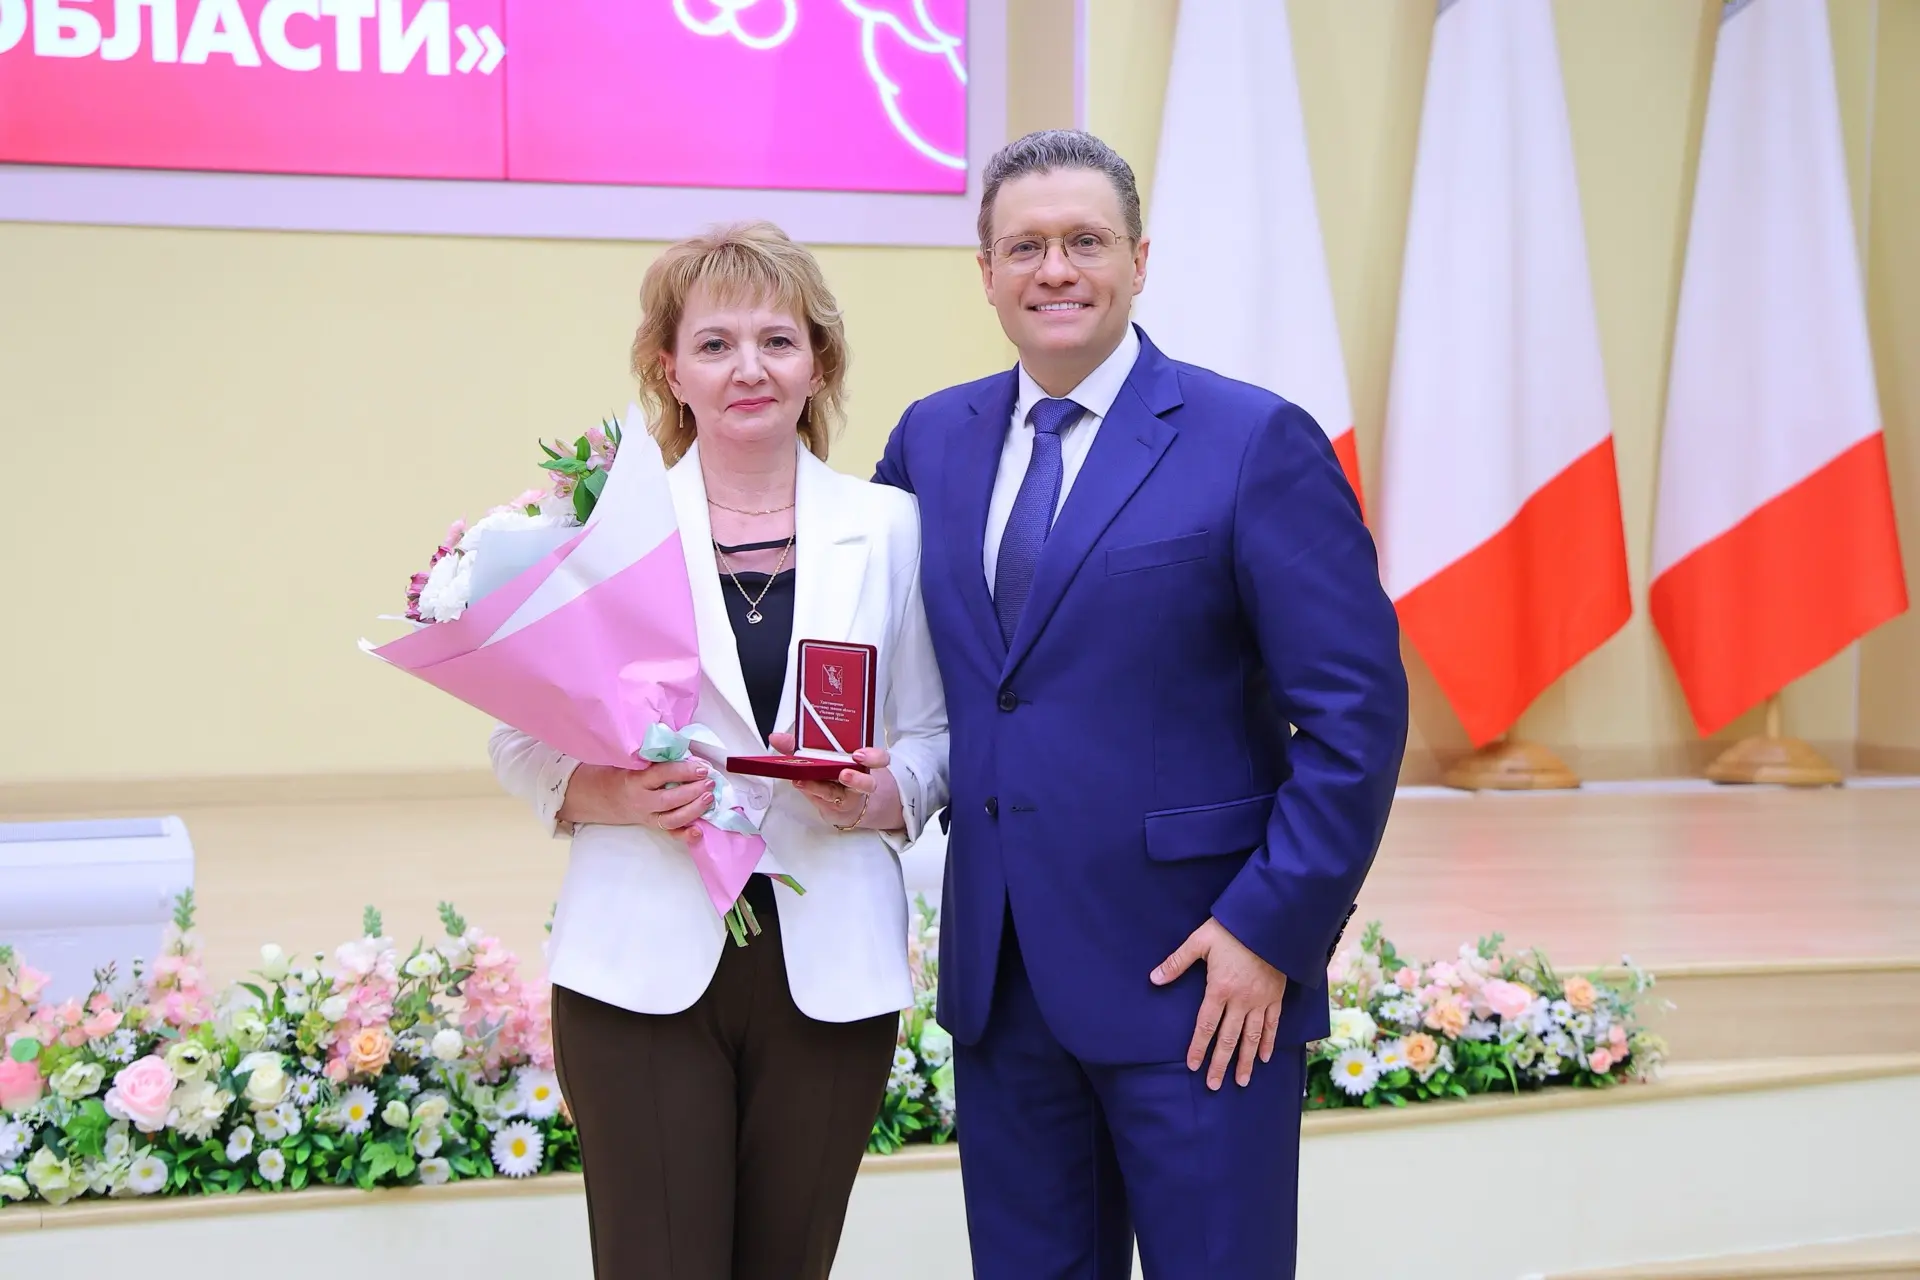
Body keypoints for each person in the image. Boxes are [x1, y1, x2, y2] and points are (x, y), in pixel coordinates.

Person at [874, 130, 1409, 1277]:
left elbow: (1356, 713)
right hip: (1004, 985)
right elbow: (875, 641)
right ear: (986, 271)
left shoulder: (1252, 441)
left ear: (1139, 259)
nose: (1056, 269)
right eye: (1026, 246)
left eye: (1086, 241)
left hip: (1202, 980)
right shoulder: (931, 441)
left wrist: (1271, 928)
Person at [489, 221, 949, 1280]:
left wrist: (884, 794)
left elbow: (938, 737)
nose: (749, 367)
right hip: (639, 964)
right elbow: (516, 737)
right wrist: (609, 793)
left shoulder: (894, 529)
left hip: (828, 967)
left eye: (778, 341)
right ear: (670, 369)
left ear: (818, 364)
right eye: (715, 343)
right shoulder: (605, 528)